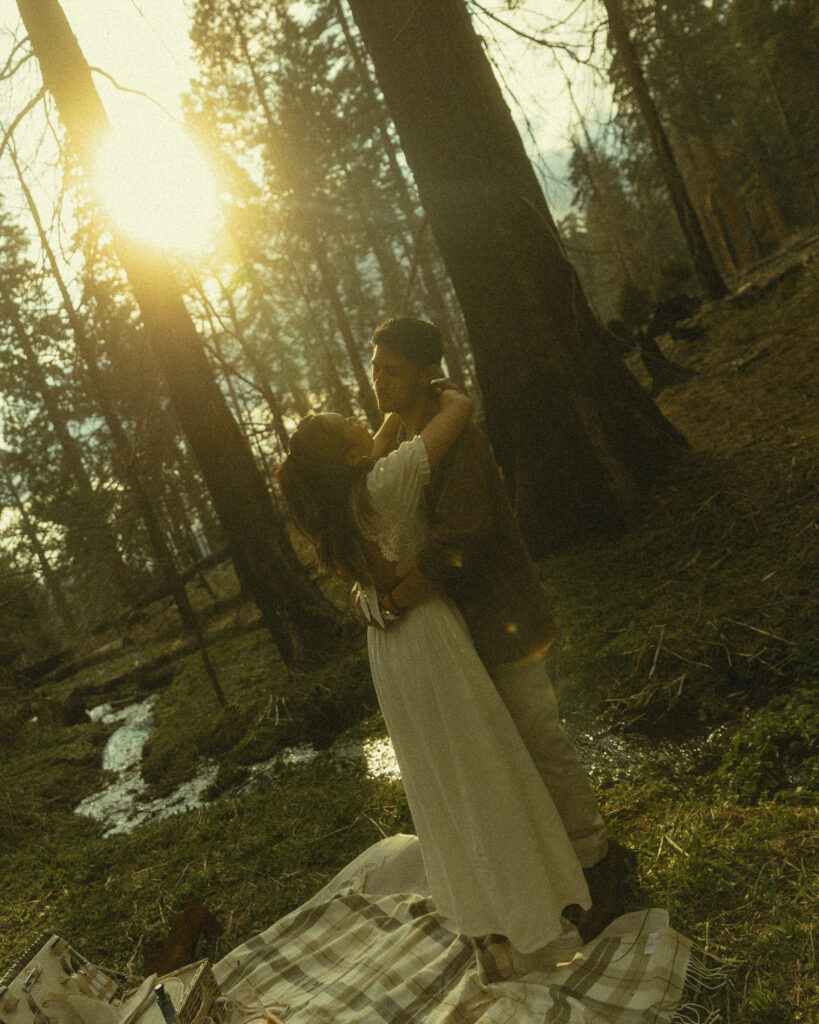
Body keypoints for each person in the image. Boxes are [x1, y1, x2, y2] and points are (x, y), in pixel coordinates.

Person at [277, 385, 594, 955]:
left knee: (439, 779)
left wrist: (381, 422)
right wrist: (438, 390)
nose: (364, 420)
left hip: (389, 653)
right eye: (349, 421)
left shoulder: (337, 502)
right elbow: (459, 412)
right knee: (481, 766)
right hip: (428, 634)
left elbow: (371, 446)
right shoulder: (385, 483)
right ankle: (532, 904)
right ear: (349, 454)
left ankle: (484, 909)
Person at [365, 315, 630, 942]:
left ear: (426, 373)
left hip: (499, 618)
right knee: (503, 751)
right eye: (375, 369)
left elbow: (459, 539)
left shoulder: (458, 442)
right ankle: (558, 865)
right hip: (455, 629)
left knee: (539, 737)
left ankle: (601, 861)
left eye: (392, 371)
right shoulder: (407, 436)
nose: (379, 381)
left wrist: (396, 599)